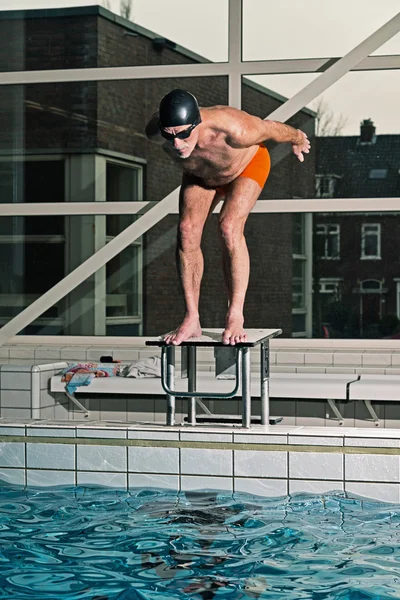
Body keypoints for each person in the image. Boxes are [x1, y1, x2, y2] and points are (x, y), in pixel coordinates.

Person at [145, 89, 310, 346]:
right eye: (170, 135)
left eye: (184, 134)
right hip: (202, 176)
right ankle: (191, 318)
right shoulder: (156, 131)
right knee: (187, 230)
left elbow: (271, 128)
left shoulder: (234, 127)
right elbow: (168, 133)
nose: (177, 144)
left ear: (198, 123)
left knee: (229, 226)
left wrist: (297, 137)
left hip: (246, 166)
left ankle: (235, 315)